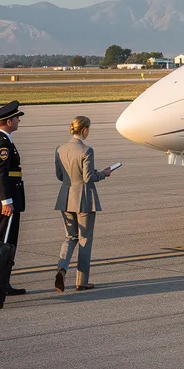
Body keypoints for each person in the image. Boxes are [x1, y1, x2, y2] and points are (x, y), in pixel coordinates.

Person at [53, 115, 114, 291]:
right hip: (84, 199)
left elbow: (59, 175)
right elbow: (88, 178)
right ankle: (82, 281)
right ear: (85, 130)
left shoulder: (60, 149)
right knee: (85, 239)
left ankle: (62, 269)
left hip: (65, 198)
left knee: (69, 237)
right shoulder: (87, 151)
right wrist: (103, 173)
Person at [0, 100, 26, 296]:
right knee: (5, 243)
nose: (18, 120)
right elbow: (0, 175)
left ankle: (2, 282)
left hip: (4, 197)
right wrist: (6, 201)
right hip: (5, 200)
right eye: (17, 118)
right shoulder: (2, 144)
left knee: (5, 242)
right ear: (9, 121)